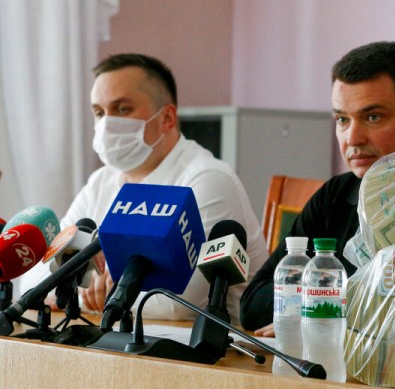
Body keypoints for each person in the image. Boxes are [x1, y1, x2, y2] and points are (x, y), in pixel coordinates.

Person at [34, 53, 268, 325]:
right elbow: (40, 279)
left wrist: (80, 292)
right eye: (99, 112)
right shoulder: (101, 182)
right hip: (119, 341)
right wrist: (92, 291)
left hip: (213, 356)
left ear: (167, 117)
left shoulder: (208, 180)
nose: (106, 124)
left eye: (122, 109)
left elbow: (178, 303)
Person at [240, 41, 395, 332]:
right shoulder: (335, 195)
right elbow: (254, 306)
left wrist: (316, 305)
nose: (352, 138)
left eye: (373, 117)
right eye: (342, 120)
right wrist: (324, 305)